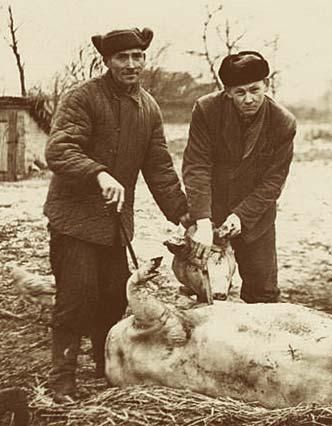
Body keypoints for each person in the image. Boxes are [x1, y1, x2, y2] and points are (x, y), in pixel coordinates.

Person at [43, 27, 188, 402]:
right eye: (122, 57)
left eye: (137, 56)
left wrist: (184, 214)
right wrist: (98, 172)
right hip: (74, 220)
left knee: (112, 296)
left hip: (114, 223)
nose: (131, 64)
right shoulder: (82, 98)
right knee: (77, 297)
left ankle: (104, 368)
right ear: (106, 61)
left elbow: (159, 167)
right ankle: (62, 379)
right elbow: (59, 150)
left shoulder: (148, 107)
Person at [183, 51, 296, 304]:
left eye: (255, 90)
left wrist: (242, 216)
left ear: (266, 85)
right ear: (228, 92)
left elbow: (273, 182)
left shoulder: (283, 122)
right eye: (240, 92)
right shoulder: (206, 109)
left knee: (264, 293)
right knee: (206, 291)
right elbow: (196, 165)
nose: (248, 99)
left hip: (256, 216)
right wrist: (202, 219)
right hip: (210, 212)